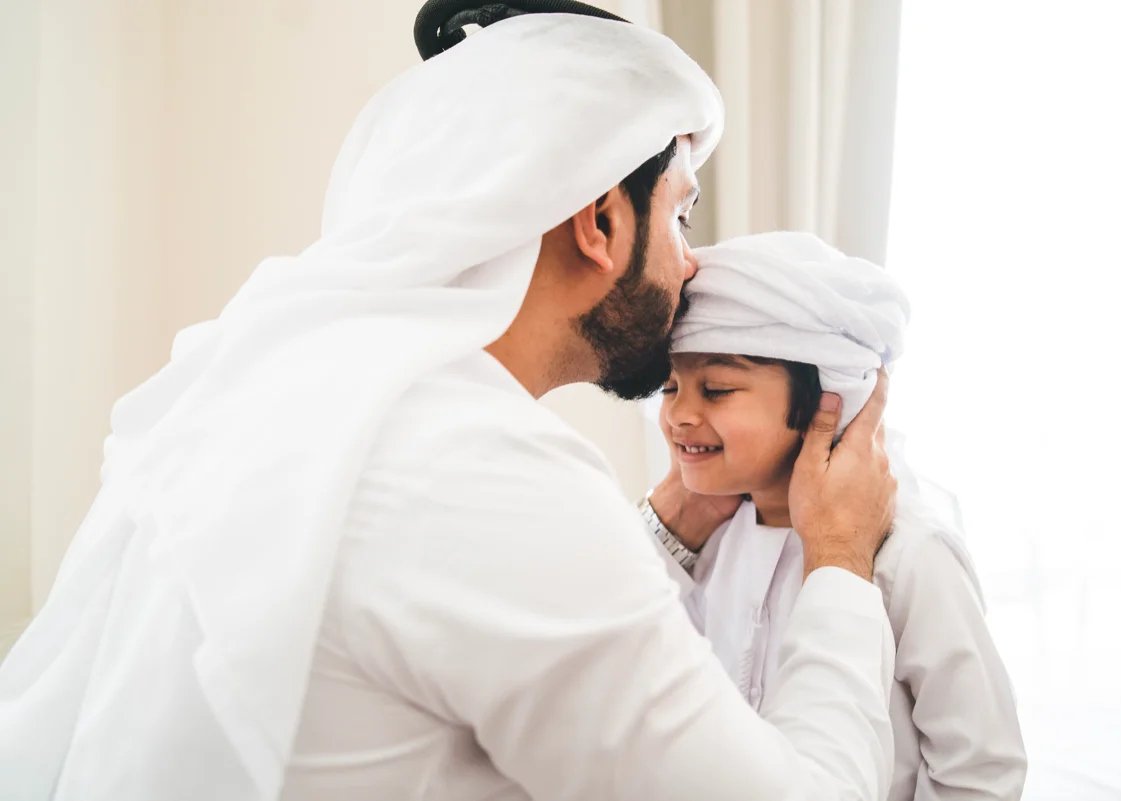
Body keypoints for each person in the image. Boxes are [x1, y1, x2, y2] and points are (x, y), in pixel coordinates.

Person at [0, 7, 898, 801]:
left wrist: (670, 523)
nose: (691, 263)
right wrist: (841, 561)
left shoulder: (284, 398)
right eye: (681, 216)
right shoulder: (480, 468)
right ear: (599, 220)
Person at [649, 231, 1027, 801]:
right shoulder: (714, 543)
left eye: (718, 389)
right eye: (670, 386)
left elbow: (981, 768)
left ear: (825, 399)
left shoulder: (909, 555)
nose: (680, 413)